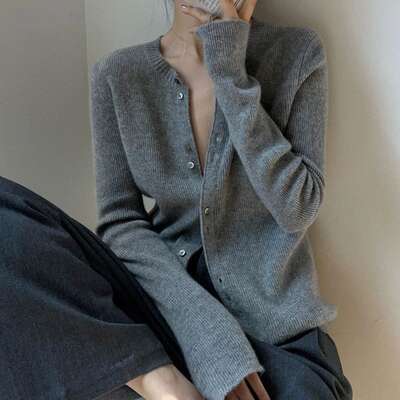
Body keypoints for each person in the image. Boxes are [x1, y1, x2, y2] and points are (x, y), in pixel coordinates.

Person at [0, 1, 353, 399]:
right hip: (163, 318)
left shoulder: (297, 54)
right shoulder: (117, 75)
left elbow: (297, 208)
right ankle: (161, 382)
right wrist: (209, 339)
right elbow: (120, 222)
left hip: (279, 338)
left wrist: (230, 71)